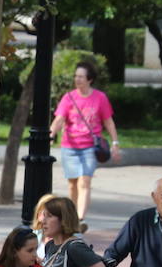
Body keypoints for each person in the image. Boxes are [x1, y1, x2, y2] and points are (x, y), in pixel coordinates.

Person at [50, 60, 121, 224]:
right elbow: (59, 119)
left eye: (81, 76)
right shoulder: (69, 97)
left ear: (90, 79)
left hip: (90, 147)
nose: (77, 79)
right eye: (76, 76)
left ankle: (80, 218)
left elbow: (108, 122)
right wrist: (51, 133)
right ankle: (72, 215)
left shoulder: (100, 98)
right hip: (70, 146)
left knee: (85, 180)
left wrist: (115, 143)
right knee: (72, 184)